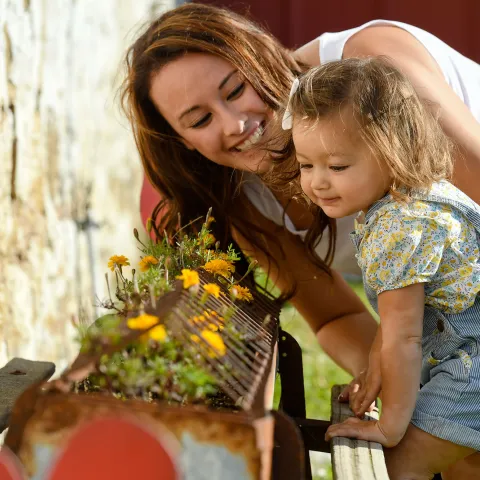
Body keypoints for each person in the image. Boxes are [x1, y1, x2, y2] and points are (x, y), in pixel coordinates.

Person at [120, 5, 480, 476]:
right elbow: (336, 313)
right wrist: (394, 385)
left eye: (235, 89)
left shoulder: (371, 71)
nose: (233, 123)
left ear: (263, 56)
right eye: (199, 120)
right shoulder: (240, 194)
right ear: (182, 140)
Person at [281, 57, 480, 479]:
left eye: (336, 166)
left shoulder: (401, 225)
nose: (318, 182)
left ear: (392, 151)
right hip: (461, 359)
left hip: (472, 371)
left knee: (397, 465)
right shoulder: (412, 197)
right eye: (305, 165)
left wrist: (390, 426)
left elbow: (404, 337)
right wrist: (375, 373)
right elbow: (393, 328)